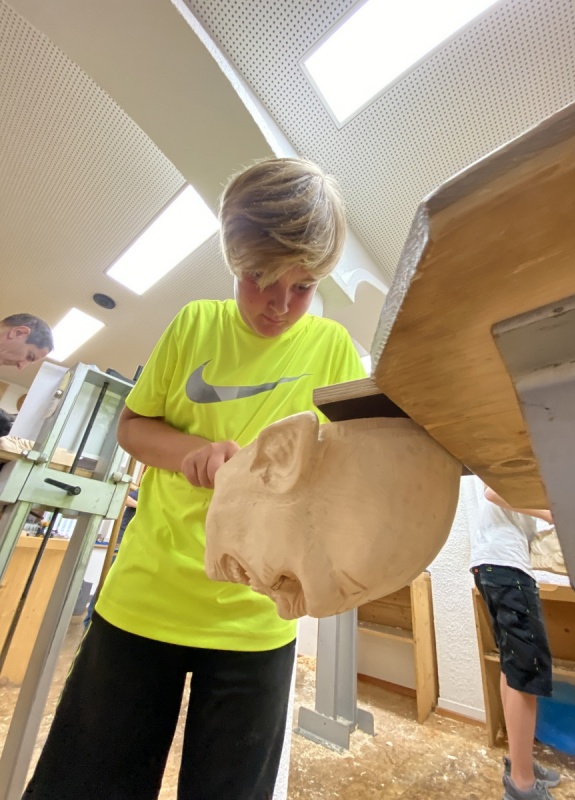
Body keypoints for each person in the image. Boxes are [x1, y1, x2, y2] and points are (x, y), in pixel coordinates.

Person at [24, 157, 367, 800]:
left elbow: (347, 471)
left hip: (258, 617)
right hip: (146, 598)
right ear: (234, 258)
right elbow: (134, 426)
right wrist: (194, 452)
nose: (280, 305)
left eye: (303, 286)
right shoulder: (194, 324)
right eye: (260, 279)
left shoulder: (334, 350)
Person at [471, 484, 561, 800]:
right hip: (507, 567)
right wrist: (549, 514)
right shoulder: (515, 459)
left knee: (513, 667)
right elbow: (494, 490)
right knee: (527, 670)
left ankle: (519, 762)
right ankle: (522, 784)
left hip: (494, 564)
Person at [82, 487, 139, 629]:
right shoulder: (141, 492)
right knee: (108, 582)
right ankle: (90, 623)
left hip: (136, 544)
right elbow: (123, 498)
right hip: (121, 543)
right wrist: (140, 505)